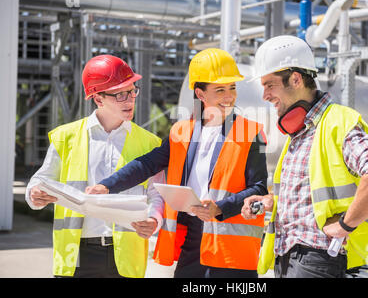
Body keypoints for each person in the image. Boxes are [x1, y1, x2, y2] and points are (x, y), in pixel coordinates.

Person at [85, 48, 268, 278]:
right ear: (200, 94)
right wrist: (107, 186)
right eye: (220, 89)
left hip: (230, 247)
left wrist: (220, 207)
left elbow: (259, 188)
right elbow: (147, 164)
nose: (229, 96)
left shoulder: (251, 132)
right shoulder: (181, 131)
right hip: (191, 240)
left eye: (232, 87)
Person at [241, 35, 368, 278]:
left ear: (295, 79)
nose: (265, 96)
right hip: (288, 256)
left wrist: (345, 225)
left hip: (319, 258)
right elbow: (308, 194)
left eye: (269, 85)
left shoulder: (338, 122)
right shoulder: (300, 133)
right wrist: (270, 201)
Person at [25, 55, 165, 278]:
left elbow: (157, 195)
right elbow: (39, 181)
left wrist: (154, 220)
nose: (130, 100)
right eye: (120, 94)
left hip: (126, 257)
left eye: (132, 91)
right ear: (98, 99)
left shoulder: (150, 143)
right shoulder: (66, 137)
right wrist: (34, 195)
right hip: (76, 255)